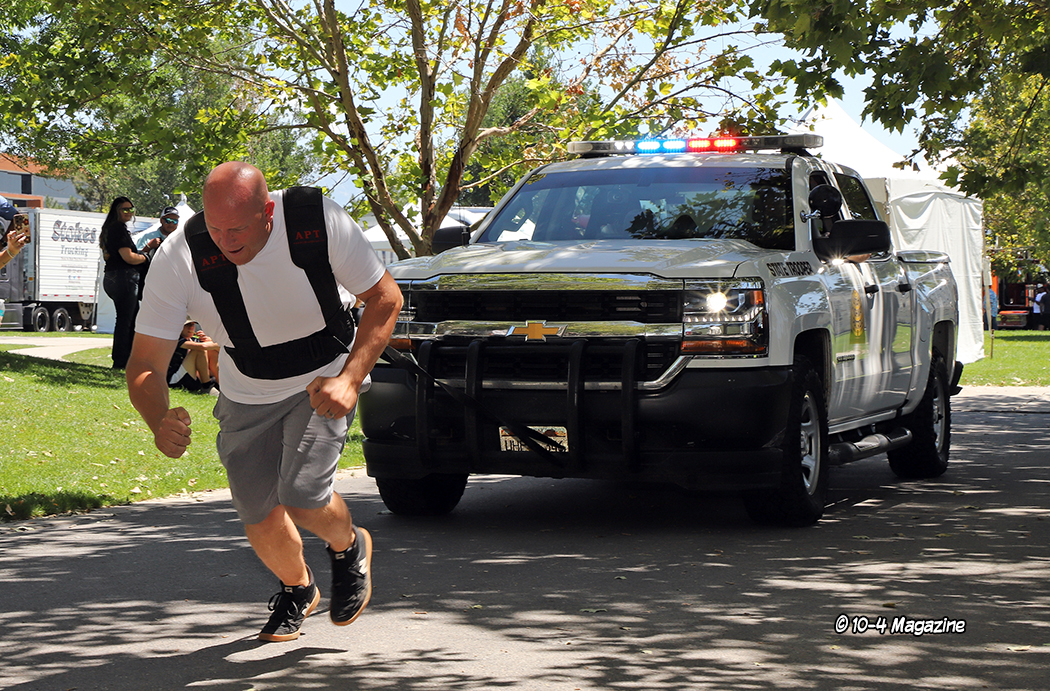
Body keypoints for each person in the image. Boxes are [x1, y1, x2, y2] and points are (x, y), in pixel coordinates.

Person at [125, 162, 402, 643]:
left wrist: (350, 379)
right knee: (257, 510)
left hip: (322, 378)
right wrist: (157, 418)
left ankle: (348, 545)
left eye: (237, 228)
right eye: (215, 228)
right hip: (247, 388)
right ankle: (299, 588)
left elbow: (385, 298)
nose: (225, 241)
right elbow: (145, 362)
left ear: (267, 212)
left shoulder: (317, 219)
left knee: (301, 494)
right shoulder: (179, 256)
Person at [100, 197, 160, 369]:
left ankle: (127, 360)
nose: (129, 213)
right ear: (116, 211)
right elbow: (129, 258)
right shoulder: (118, 229)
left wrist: (144, 251)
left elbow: (110, 256)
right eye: (124, 209)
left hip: (113, 277)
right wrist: (146, 257)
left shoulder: (109, 229)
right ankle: (121, 361)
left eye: (131, 209)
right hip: (124, 278)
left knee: (130, 318)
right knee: (126, 320)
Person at [167, 321, 220, 393]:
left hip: (190, 375)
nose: (191, 327)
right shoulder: (176, 339)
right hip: (175, 380)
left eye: (193, 325)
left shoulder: (194, 339)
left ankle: (221, 384)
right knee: (199, 350)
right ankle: (207, 385)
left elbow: (220, 350)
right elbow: (202, 346)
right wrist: (218, 343)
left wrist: (209, 340)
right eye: (187, 325)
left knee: (212, 352)